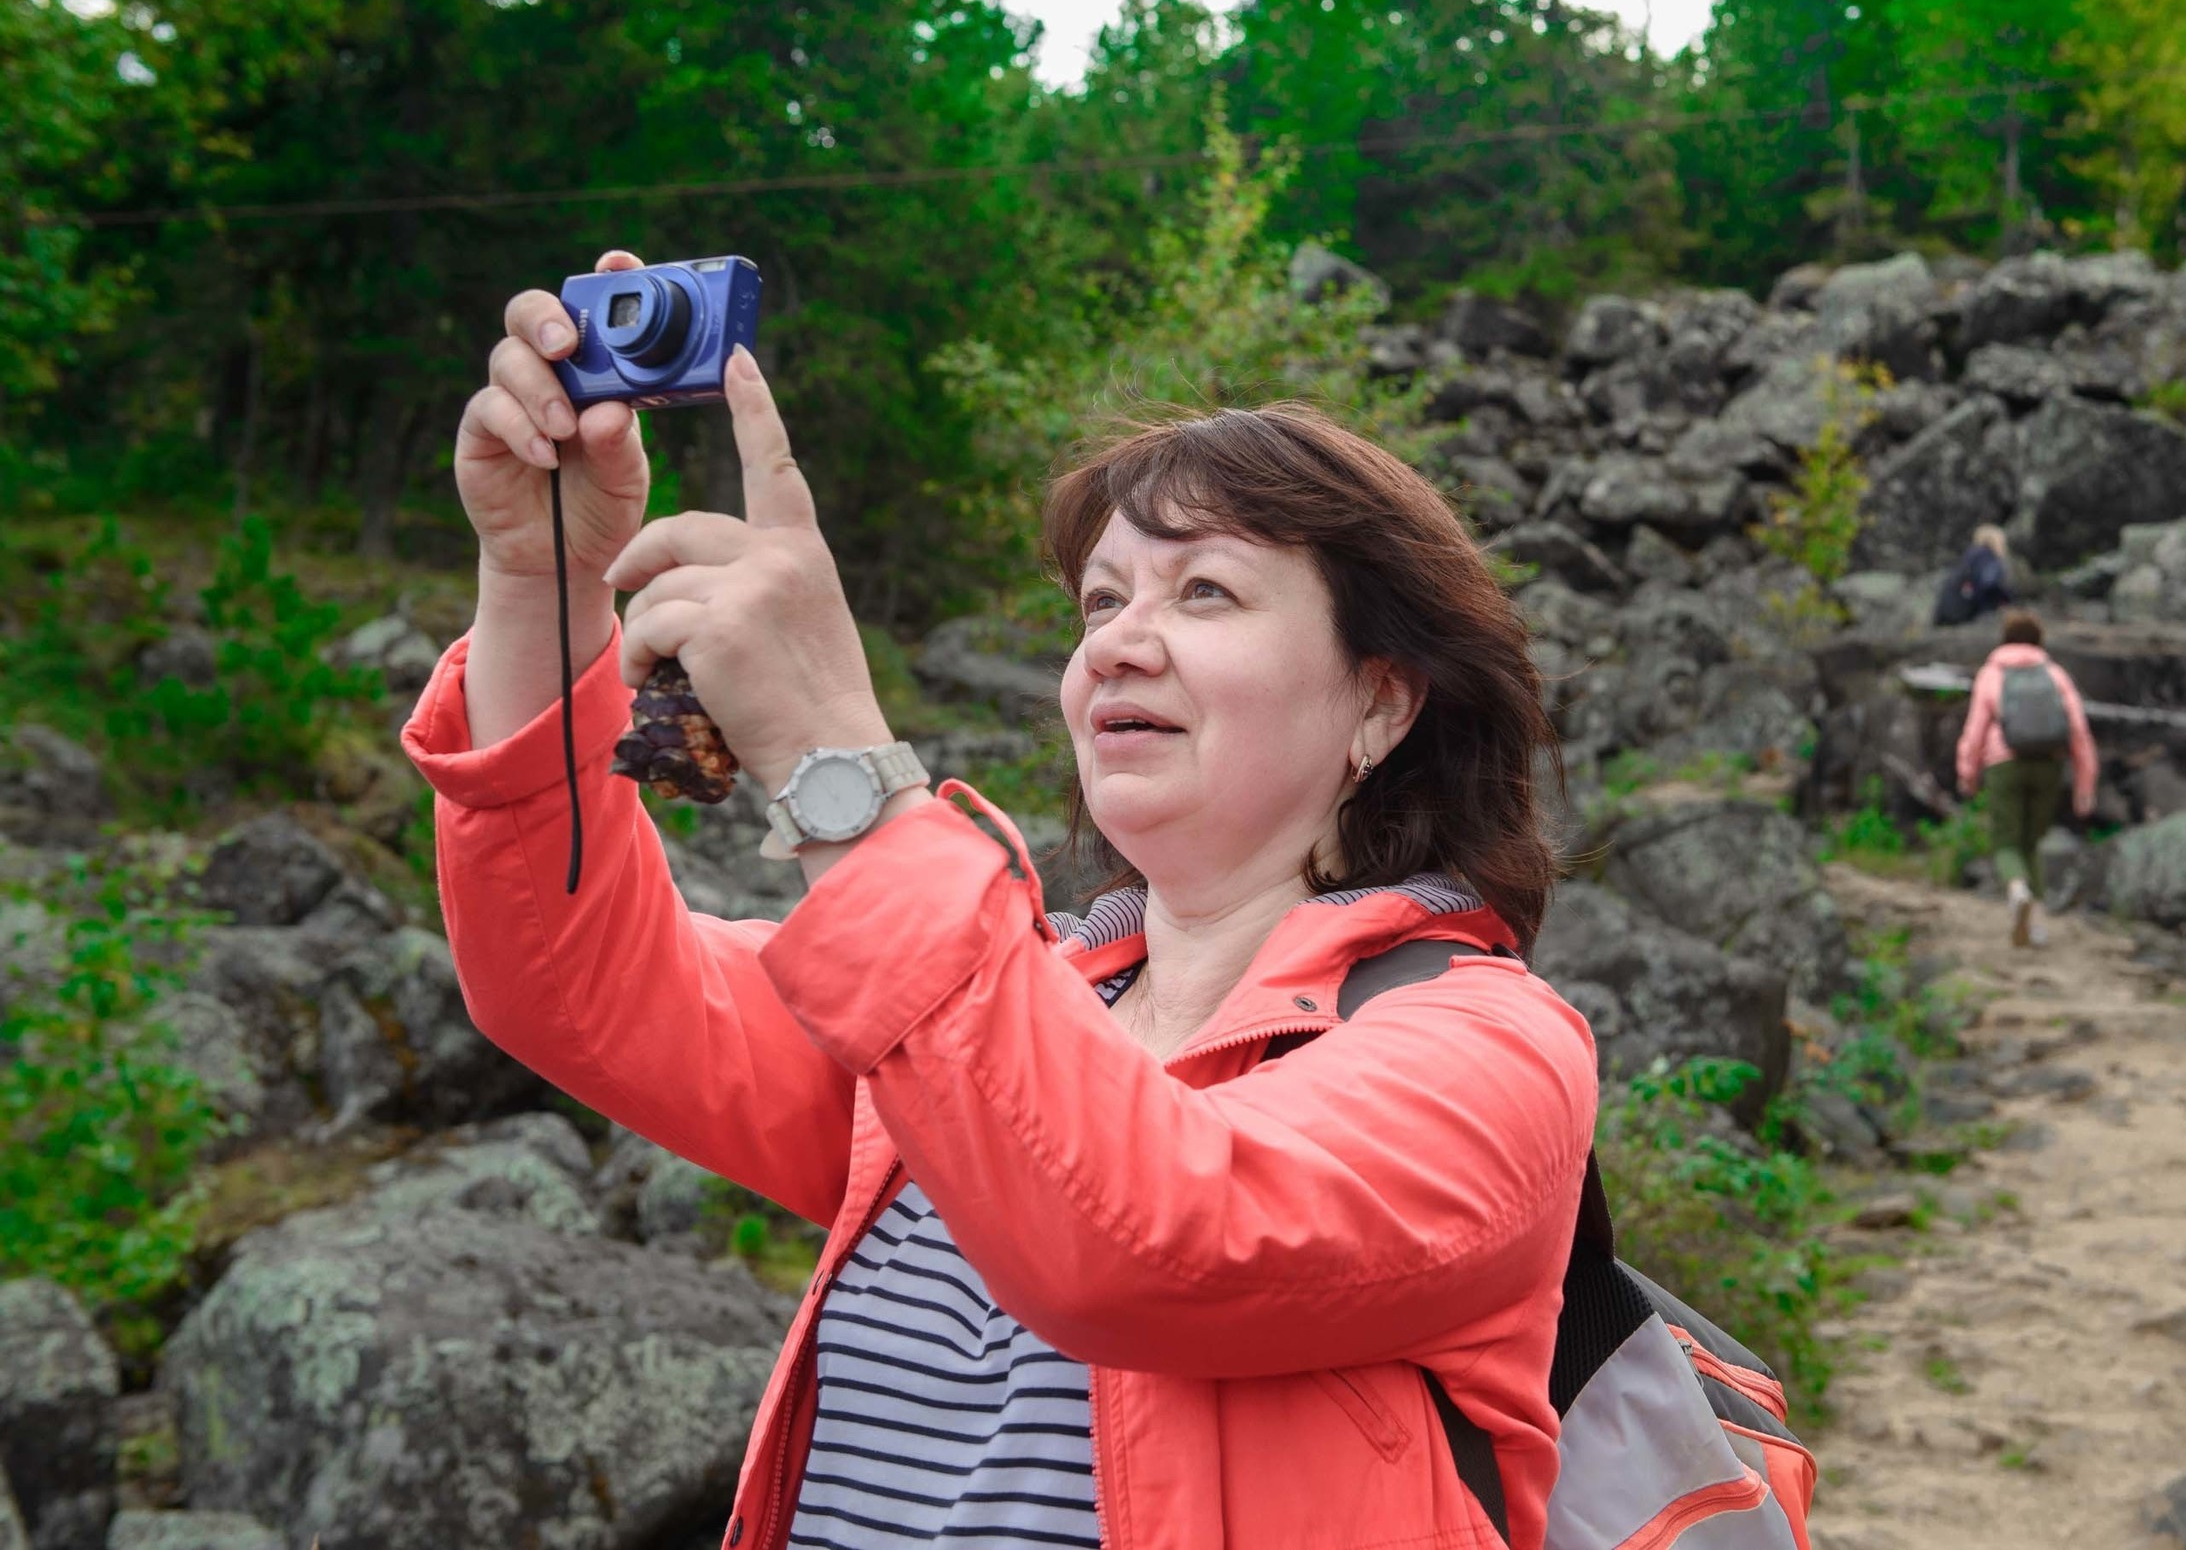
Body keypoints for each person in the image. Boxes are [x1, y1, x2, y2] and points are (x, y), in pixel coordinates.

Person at [399, 251, 1599, 1550]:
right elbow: (571, 984)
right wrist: (542, 580)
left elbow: (1149, 1238)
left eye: (1204, 591)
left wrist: (835, 769)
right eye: (1099, 600)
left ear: (1381, 699)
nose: (1119, 641)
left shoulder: (1489, 1053)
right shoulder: (975, 1009)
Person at [1955, 610, 2099, 949]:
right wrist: (2085, 783)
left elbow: (1975, 730)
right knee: (2032, 842)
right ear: (2039, 640)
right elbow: (2079, 730)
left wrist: (1967, 774)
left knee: (2006, 842)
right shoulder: (2054, 674)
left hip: (2004, 764)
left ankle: (2017, 891)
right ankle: (2035, 924)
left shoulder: (1993, 674)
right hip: (2049, 764)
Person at [1931, 523, 2014, 627]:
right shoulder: (1988, 558)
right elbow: (1989, 585)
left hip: (1947, 613)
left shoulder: (1969, 557)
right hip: (1964, 613)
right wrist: (2008, 599)